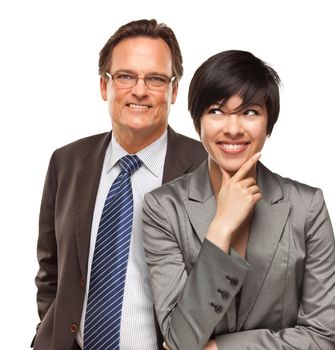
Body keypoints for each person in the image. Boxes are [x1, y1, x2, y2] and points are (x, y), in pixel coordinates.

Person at [142, 50, 335, 350]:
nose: (233, 128)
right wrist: (221, 228)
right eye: (216, 111)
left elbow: (325, 335)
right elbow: (179, 341)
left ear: (268, 122)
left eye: (249, 112)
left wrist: (221, 348)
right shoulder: (163, 208)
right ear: (198, 121)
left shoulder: (306, 206)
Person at [32, 19, 206, 350]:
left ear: (173, 91)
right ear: (104, 86)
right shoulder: (66, 162)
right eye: (125, 76)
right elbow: (50, 270)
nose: (139, 90)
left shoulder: (207, 170)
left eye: (155, 79)